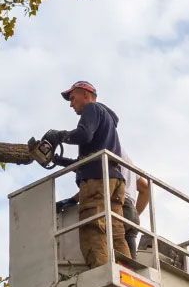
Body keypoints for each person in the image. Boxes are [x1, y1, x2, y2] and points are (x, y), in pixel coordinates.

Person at [42, 81, 131, 267]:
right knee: (115, 231)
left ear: (86, 94)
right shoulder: (106, 120)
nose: (71, 104)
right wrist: (59, 161)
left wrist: (60, 135)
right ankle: (126, 272)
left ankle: (101, 272)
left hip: (97, 180)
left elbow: (84, 135)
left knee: (93, 227)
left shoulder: (92, 109)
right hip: (113, 178)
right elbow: (88, 162)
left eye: (73, 98)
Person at [120, 155, 151, 252]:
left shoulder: (107, 148)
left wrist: (74, 199)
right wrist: (135, 214)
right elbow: (146, 189)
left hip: (118, 206)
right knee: (130, 264)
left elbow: (94, 185)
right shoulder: (126, 158)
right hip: (131, 211)